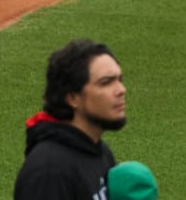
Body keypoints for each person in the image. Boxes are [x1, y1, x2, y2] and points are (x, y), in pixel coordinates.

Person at [14, 38, 126, 200]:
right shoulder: (49, 173)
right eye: (106, 83)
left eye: (119, 80)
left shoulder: (98, 151)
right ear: (73, 98)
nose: (121, 90)